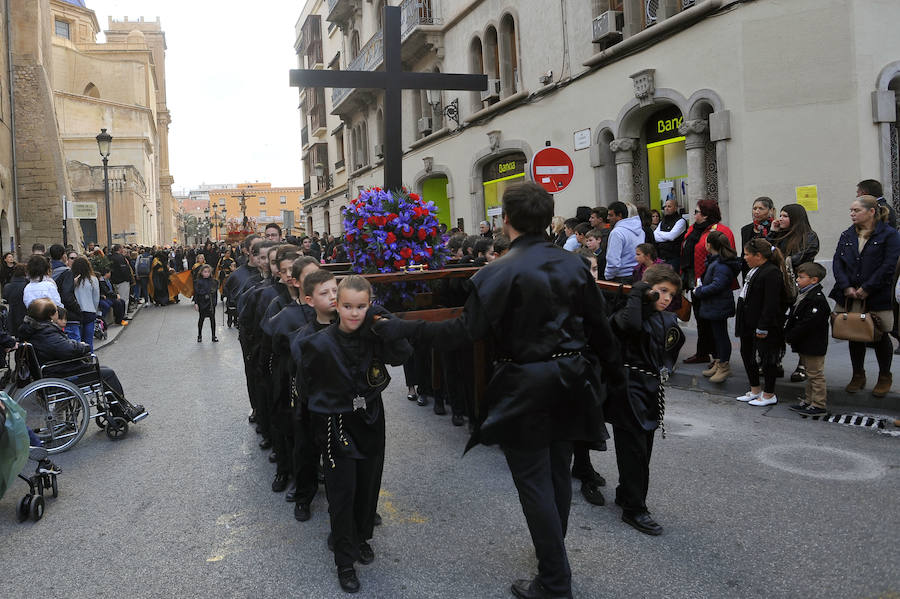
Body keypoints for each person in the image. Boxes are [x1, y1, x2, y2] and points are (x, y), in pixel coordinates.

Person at [374, 182, 619, 599]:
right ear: (547, 218)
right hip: (572, 379)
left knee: (535, 481)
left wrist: (399, 326)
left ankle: (555, 580)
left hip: (527, 382)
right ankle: (552, 557)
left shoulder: (495, 271)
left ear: (506, 221)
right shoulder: (576, 265)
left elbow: (462, 333)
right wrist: (612, 379)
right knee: (557, 472)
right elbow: (601, 330)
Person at [296, 275, 412, 594]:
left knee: (368, 485)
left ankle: (361, 537)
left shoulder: (374, 335)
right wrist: (317, 432)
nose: (354, 313)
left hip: (371, 419)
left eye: (361, 307)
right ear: (337, 305)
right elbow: (307, 391)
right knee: (342, 493)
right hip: (336, 425)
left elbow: (402, 355)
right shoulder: (316, 343)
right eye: (347, 306)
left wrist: (387, 321)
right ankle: (344, 560)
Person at [605, 265, 684, 536]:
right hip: (628, 389)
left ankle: (626, 493)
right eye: (661, 291)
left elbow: (671, 348)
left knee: (643, 449)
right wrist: (637, 294)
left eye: (670, 294)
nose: (666, 298)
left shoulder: (667, 319)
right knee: (634, 449)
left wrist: (664, 369)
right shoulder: (627, 312)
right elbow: (628, 326)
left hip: (649, 388)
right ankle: (634, 508)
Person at [19, 298, 145, 422]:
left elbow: (61, 347)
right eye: (55, 310)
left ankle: (120, 408)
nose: (58, 312)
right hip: (61, 373)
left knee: (104, 370)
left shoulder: (35, 329)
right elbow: (68, 350)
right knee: (108, 374)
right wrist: (83, 346)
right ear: (51, 315)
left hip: (55, 370)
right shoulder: (45, 332)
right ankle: (122, 411)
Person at [830, 195, 900, 397]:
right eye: (851, 210)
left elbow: (889, 265)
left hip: (876, 294)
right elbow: (837, 262)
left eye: (856, 210)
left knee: (878, 335)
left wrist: (868, 287)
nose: (852, 214)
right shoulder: (847, 235)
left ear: (871, 212)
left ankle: (884, 376)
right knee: (854, 333)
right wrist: (846, 286)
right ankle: (858, 375)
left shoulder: (889, 235)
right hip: (850, 294)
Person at [734, 239, 792, 406]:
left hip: (764, 324)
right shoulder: (755, 270)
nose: (744, 257)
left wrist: (763, 326)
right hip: (748, 322)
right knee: (747, 354)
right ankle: (755, 389)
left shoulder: (772, 272)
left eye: (747, 254)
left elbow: (771, 303)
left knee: (767, 358)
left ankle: (769, 394)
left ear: (758, 255)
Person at [680, 200, 735, 364]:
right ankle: (703, 352)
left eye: (696, 211)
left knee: (715, 323)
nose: (694, 214)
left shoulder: (721, 231)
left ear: (705, 214)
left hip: (712, 281)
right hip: (694, 280)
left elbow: (728, 256)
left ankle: (719, 358)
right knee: (701, 319)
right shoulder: (692, 229)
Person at [692, 231, 741, 384]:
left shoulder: (721, 265)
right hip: (714, 304)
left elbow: (718, 285)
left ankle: (724, 366)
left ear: (710, 245)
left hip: (718, 305)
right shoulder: (716, 262)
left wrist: (700, 291)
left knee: (721, 336)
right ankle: (719, 362)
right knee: (717, 335)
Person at [785, 262, 831, 416]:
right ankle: (809, 400)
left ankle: (819, 403)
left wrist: (791, 335)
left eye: (801, 277)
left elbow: (808, 323)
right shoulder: (804, 294)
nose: (797, 279)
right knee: (810, 374)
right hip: (806, 343)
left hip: (814, 344)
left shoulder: (817, 299)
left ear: (814, 280)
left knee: (815, 374)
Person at [49, 245, 82, 341]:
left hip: (50, 312)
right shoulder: (66, 272)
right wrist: (77, 310)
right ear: (64, 256)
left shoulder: (49, 271)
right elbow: (67, 296)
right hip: (65, 313)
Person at [604, 201, 644, 282]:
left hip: (621, 277)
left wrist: (608, 276)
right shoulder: (640, 230)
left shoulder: (617, 232)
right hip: (637, 274)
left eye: (611, 215)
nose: (608, 218)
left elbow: (613, 261)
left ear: (620, 216)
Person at [739, 197, 775, 278]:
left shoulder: (775, 228)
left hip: (769, 271)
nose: (756, 211)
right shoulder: (746, 229)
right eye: (754, 208)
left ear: (770, 210)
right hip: (749, 271)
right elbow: (743, 254)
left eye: (761, 208)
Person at [71, 257, 100, 351]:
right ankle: (90, 360)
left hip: (75, 312)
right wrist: (94, 309)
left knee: (77, 342)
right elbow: (96, 298)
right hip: (89, 311)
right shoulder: (93, 279)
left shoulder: (72, 280)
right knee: (89, 341)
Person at [653, 198, 687, 271]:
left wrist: (660, 234)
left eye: (669, 206)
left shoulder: (681, 221)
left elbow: (672, 236)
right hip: (661, 257)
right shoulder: (662, 221)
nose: (666, 208)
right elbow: (655, 236)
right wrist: (666, 235)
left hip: (674, 258)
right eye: (665, 206)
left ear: (675, 208)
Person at [193, 264, 218, 342]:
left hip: (211, 303)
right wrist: (196, 303)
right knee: (201, 319)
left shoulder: (214, 281)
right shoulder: (197, 282)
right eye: (205, 272)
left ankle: (213, 336)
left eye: (208, 272)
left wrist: (215, 303)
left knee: (212, 320)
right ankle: (199, 335)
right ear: (201, 272)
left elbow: (215, 293)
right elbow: (196, 293)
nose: (207, 273)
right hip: (202, 303)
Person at [2, 264, 28, 336]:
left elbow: (6, 299)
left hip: (12, 318)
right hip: (26, 317)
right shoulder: (27, 286)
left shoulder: (8, 287)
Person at [109, 244, 135, 314]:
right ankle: (123, 314)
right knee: (124, 298)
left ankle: (118, 314)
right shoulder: (121, 258)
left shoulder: (111, 257)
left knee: (117, 298)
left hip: (114, 280)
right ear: (120, 249)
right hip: (123, 281)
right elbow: (124, 270)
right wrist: (129, 279)